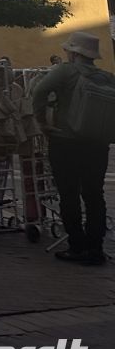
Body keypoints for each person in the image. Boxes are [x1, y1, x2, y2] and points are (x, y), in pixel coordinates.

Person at [31, 31, 111, 265]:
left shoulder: (65, 71)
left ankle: (76, 246)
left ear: (74, 53)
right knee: (94, 195)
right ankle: (95, 248)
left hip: (65, 141)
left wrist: (42, 122)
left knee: (69, 195)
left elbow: (39, 91)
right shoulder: (107, 77)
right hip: (97, 144)